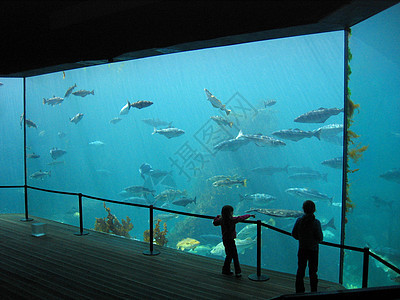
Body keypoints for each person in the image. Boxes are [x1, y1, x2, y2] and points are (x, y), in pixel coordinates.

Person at [213, 205, 255, 278]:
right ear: (230, 213)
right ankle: (238, 272)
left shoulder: (221, 220)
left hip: (225, 240)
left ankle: (225, 270)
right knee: (235, 256)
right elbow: (241, 218)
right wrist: (249, 215)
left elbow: (215, 222)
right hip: (231, 240)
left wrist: (217, 216)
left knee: (228, 256)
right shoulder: (232, 220)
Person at [292, 200, 323, 293]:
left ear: (303, 209)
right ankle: (313, 292)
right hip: (313, 250)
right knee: (313, 272)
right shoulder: (316, 222)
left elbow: (294, 234)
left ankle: (299, 291)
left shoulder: (299, 220)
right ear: (314, 210)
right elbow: (320, 238)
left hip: (302, 249)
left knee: (300, 270)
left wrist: (302, 239)